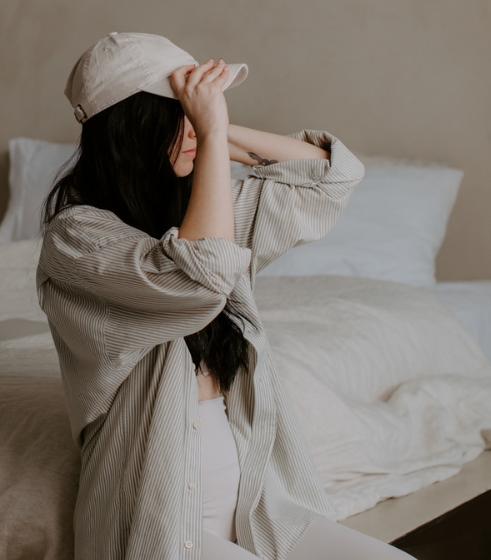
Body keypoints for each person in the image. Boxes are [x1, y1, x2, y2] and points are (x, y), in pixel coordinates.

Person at [37, 32, 415, 560]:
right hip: (160, 522)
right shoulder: (75, 237)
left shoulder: (199, 212)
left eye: (197, 112)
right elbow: (199, 278)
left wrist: (206, 127)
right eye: (179, 112)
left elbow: (330, 177)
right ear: (133, 126)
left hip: (261, 511)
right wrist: (207, 135)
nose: (196, 125)